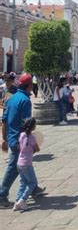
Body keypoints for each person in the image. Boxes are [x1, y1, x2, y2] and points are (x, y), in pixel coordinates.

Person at [0, 74, 45, 209]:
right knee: (15, 167)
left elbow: (4, 120)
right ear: (30, 86)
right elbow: (27, 124)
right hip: (20, 140)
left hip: (12, 137)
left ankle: (34, 189)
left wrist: (3, 138)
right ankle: (1, 195)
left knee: (24, 164)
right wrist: (31, 142)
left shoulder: (11, 99)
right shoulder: (25, 100)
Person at [13, 117, 40, 211]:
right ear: (33, 126)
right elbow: (37, 148)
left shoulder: (21, 135)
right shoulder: (32, 138)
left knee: (23, 182)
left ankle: (17, 201)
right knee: (32, 182)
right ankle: (22, 200)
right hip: (27, 163)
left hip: (19, 163)